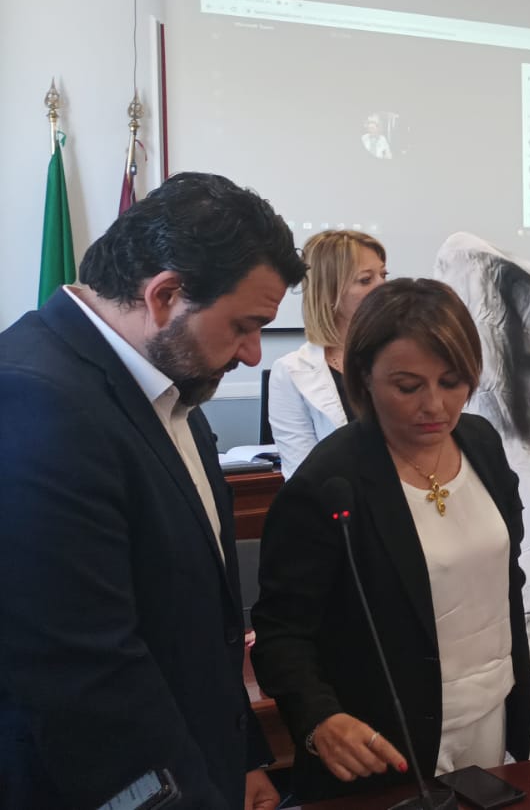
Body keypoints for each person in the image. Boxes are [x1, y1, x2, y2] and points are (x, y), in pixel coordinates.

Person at [0, 172, 304, 809]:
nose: (254, 355)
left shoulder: (169, 382)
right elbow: (85, 676)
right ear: (164, 295)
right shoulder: (35, 400)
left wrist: (243, 756)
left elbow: (202, 621)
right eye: (245, 326)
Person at [251, 278, 530, 802]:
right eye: (408, 386)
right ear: (362, 376)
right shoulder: (330, 481)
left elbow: (504, 575)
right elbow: (281, 630)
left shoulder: (482, 444)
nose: (436, 406)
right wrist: (319, 718)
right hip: (386, 740)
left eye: (453, 381)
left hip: (489, 712)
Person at [269, 230, 388, 477]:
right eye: (366, 280)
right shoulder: (291, 372)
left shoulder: (402, 354)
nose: (383, 287)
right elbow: (302, 476)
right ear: (330, 291)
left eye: (383, 275)